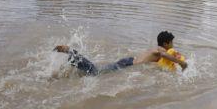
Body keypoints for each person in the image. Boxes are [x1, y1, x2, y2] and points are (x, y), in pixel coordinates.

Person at [54, 31, 187, 76]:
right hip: (128, 65)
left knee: (95, 71)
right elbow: (164, 56)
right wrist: (182, 63)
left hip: (128, 61)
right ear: (166, 44)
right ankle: (71, 52)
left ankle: (73, 62)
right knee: (95, 72)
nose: (173, 46)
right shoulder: (161, 50)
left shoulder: (154, 49)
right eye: (172, 43)